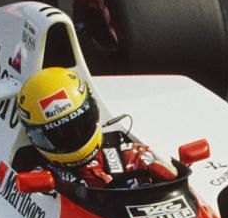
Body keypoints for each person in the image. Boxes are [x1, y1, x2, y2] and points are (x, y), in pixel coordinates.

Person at [15, 68, 176, 188]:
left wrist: (167, 174)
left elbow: (157, 167)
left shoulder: (126, 154)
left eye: (79, 125)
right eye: (58, 136)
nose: (74, 138)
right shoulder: (38, 174)